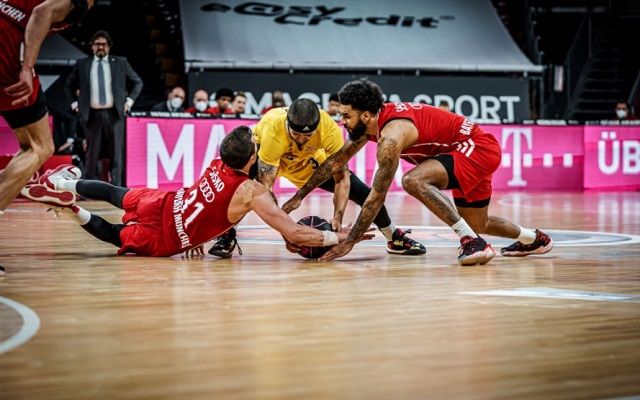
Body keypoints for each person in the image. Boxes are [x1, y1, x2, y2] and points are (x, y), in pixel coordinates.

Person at [282, 79, 553, 265]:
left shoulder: (391, 137)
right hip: (466, 152)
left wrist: (350, 242)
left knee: (412, 180)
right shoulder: (371, 126)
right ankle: (533, 239)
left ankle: (471, 241)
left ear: (365, 115)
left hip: (476, 149)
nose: (341, 121)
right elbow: (335, 162)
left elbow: (376, 197)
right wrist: (300, 195)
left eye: (346, 116)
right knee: (478, 222)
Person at [20, 126, 372, 256]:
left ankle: (61, 184)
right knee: (115, 235)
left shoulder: (218, 162)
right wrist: (340, 237)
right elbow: (293, 232)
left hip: (165, 202)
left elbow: (212, 201)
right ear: (252, 159)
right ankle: (72, 210)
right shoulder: (251, 191)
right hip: (171, 236)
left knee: (114, 192)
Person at [208, 98, 425, 258]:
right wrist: (287, 234)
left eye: (307, 136)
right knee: (243, 189)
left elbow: (342, 178)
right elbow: (267, 190)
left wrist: (337, 216)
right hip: (272, 160)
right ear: (288, 126)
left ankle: (393, 238)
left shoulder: (328, 129)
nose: (302, 139)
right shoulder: (274, 129)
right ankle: (226, 236)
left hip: (307, 162)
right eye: (297, 135)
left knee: (363, 192)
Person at [0, 0, 94, 213]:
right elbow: (42, 12)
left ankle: (14, 180)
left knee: (29, 145)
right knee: (40, 147)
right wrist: (27, 67)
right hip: (7, 48)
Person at [65, 30, 143, 186]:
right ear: (92, 46)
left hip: (114, 113)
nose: (100, 47)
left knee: (116, 153)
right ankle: (89, 188)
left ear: (109, 46)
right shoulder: (83, 64)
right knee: (91, 153)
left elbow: (137, 82)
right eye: (97, 44)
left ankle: (117, 188)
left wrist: (129, 101)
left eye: (104, 44)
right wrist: (75, 103)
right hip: (91, 114)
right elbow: (68, 85)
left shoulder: (120, 62)